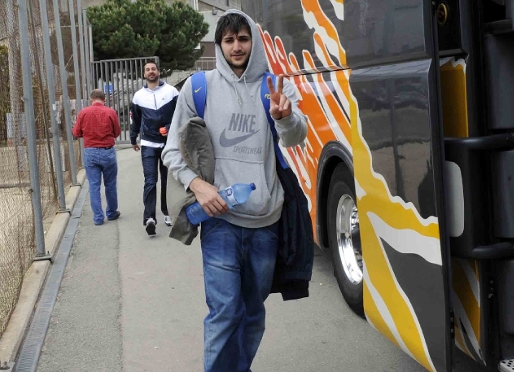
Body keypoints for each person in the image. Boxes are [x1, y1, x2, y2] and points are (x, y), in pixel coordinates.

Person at [162, 10, 307, 372]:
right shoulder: (200, 87)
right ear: (219, 45)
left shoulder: (274, 86)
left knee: (252, 311)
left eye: (243, 38)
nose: (237, 46)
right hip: (220, 220)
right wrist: (199, 186)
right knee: (225, 311)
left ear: (253, 41)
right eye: (229, 40)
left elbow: (296, 137)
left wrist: (284, 117)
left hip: (266, 220)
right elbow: (172, 152)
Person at [130, 62, 179, 236]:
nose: (151, 72)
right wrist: (133, 137)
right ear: (144, 74)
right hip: (148, 144)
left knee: (167, 181)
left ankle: (167, 213)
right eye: (147, 70)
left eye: (153, 69)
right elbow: (135, 120)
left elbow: (180, 115)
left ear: (159, 72)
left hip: (168, 145)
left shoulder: (172, 92)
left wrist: (169, 126)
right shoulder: (138, 96)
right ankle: (150, 218)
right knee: (150, 181)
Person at [73, 89, 121, 226]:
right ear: (104, 99)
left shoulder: (83, 113)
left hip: (91, 152)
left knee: (94, 186)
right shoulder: (111, 112)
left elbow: (76, 132)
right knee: (110, 184)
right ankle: (111, 213)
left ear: (91, 99)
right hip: (107, 152)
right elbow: (117, 132)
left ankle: (98, 218)